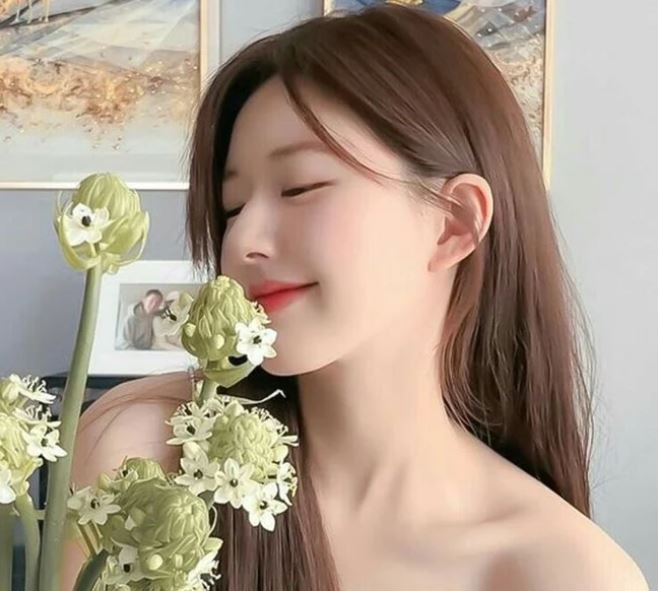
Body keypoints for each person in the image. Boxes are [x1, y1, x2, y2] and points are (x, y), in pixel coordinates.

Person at [63, 4, 650, 591]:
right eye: (232, 208)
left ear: (453, 223)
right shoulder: (143, 453)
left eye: (300, 187)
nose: (241, 242)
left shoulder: (566, 572)